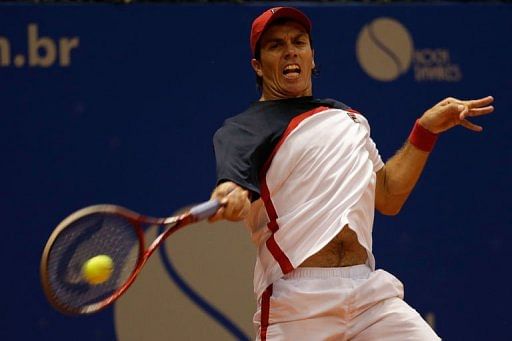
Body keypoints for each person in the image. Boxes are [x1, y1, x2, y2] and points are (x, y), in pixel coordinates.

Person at [209, 7, 494, 341]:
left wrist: (424, 131)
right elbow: (233, 186)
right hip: (298, 303)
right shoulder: (242, 130)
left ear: (312, 57)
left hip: (368, 293)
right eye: (275, 45)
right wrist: (230, 195)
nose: (290, 50)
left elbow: (387, 196)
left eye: (299, 42)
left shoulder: (348, 119)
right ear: (258, 66)